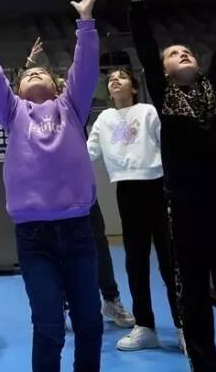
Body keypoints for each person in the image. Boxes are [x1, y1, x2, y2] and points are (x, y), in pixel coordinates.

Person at [116, 0, 216, 371]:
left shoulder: (214, 88)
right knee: (193, 295)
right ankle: (204, 364)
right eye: (174, 54)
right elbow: (145, 48)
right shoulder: (163, 95)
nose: (183, 55)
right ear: (163, 72)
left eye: (187, 51)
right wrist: (137, 2)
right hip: (183, 211)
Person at [0, 0, 105, 372]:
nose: (35, 74)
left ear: (59, 85)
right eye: (29, 73)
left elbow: (87, 68)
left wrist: (86, 22)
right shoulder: (13, 113)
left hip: (78, 231)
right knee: (48, 326)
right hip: (34, 236)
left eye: (43, 70)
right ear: (19, 88)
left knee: (90, 323)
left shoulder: (72, 106)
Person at [25, 40, 136, 331]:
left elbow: (80, 75)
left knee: (97, 246)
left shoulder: (73, 107)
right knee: (52, 253)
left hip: (80, 194)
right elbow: (20, 93)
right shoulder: (23, 115)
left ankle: (110, 299)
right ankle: (60, 306)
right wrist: (30, 64)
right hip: (44, 198)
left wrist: (83, 31)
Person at [88, 66, 182, 352]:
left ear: (134, 86)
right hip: (126, 192)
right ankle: (145, 326)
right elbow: (87, 152)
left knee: (169, 262)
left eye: (122, 76)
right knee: (135, 261)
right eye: (111, 78)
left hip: (157, 187)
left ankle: (184, 326)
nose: (115, 80)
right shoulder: (104, 118)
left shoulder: (148, 112)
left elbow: (167, 147)